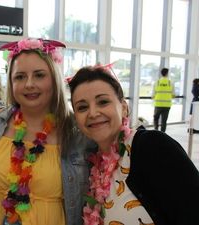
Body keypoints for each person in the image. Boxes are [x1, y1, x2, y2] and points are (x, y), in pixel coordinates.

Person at [0, 38, 91, 225]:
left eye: (39, 75)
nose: (29, 84)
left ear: (54, 79)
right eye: (20, 77)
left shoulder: (77, 133)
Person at [68, 65, 199, 225]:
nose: (93, 113)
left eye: (102, 102)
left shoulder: (151, 146)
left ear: (123, 108)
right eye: (82, 107)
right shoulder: (92, 165)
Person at [152, 67, 175, 132]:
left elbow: (153, 94)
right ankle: (162, 133)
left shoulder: (157, 82)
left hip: (158, 104)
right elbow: (173, 95)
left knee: (156, 118)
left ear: (161, 73)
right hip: (167, 105)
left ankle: (156, 130)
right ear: (167, 73)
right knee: (164, 121)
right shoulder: (170, 83)